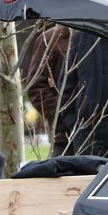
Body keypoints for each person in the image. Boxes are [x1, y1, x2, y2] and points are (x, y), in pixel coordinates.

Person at [25, 25, 70, 157]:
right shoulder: (50, 39)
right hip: (64, 138)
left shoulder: (102, 35)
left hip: (105, 133)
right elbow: (36, 88)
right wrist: (66, 115)